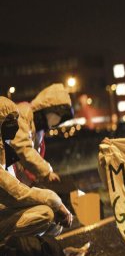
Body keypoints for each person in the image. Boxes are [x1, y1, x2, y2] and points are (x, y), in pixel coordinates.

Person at [0, 97, 72, 241]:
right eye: (10, 121)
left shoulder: (3, 149)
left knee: (53, 222)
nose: (15, 125)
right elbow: (14, 193)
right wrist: (54, 201)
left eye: (16, 120)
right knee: (46, 214)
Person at [11, 84, 73, 185]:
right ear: (48, 107)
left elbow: (30, 160)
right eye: (58, 113)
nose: (58, 119)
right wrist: (46, 172)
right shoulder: (23, 113)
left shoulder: (39, 131)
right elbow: (22, 149)